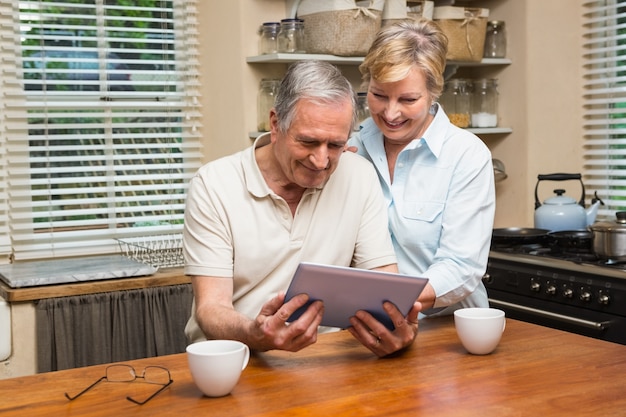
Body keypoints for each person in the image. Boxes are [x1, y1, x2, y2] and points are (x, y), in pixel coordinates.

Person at [183, 60, 421, 357]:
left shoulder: (358, 175)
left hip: (327, 363)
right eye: (308, 142)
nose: (321, 161)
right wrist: (255, 335)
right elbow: (211, 309)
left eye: (335, 145)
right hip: (234, 361)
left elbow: (385, 287)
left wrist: (396, 326)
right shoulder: (214, 184)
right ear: (275, 124)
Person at [349, 19, 496, 316]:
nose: (390, 113)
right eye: (378, 95)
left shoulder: (466, 155)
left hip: (445, 333)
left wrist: (393, 302)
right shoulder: (352, 148)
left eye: (408, 99)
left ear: (433, 93)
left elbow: (461, 267)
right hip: (364, 325)